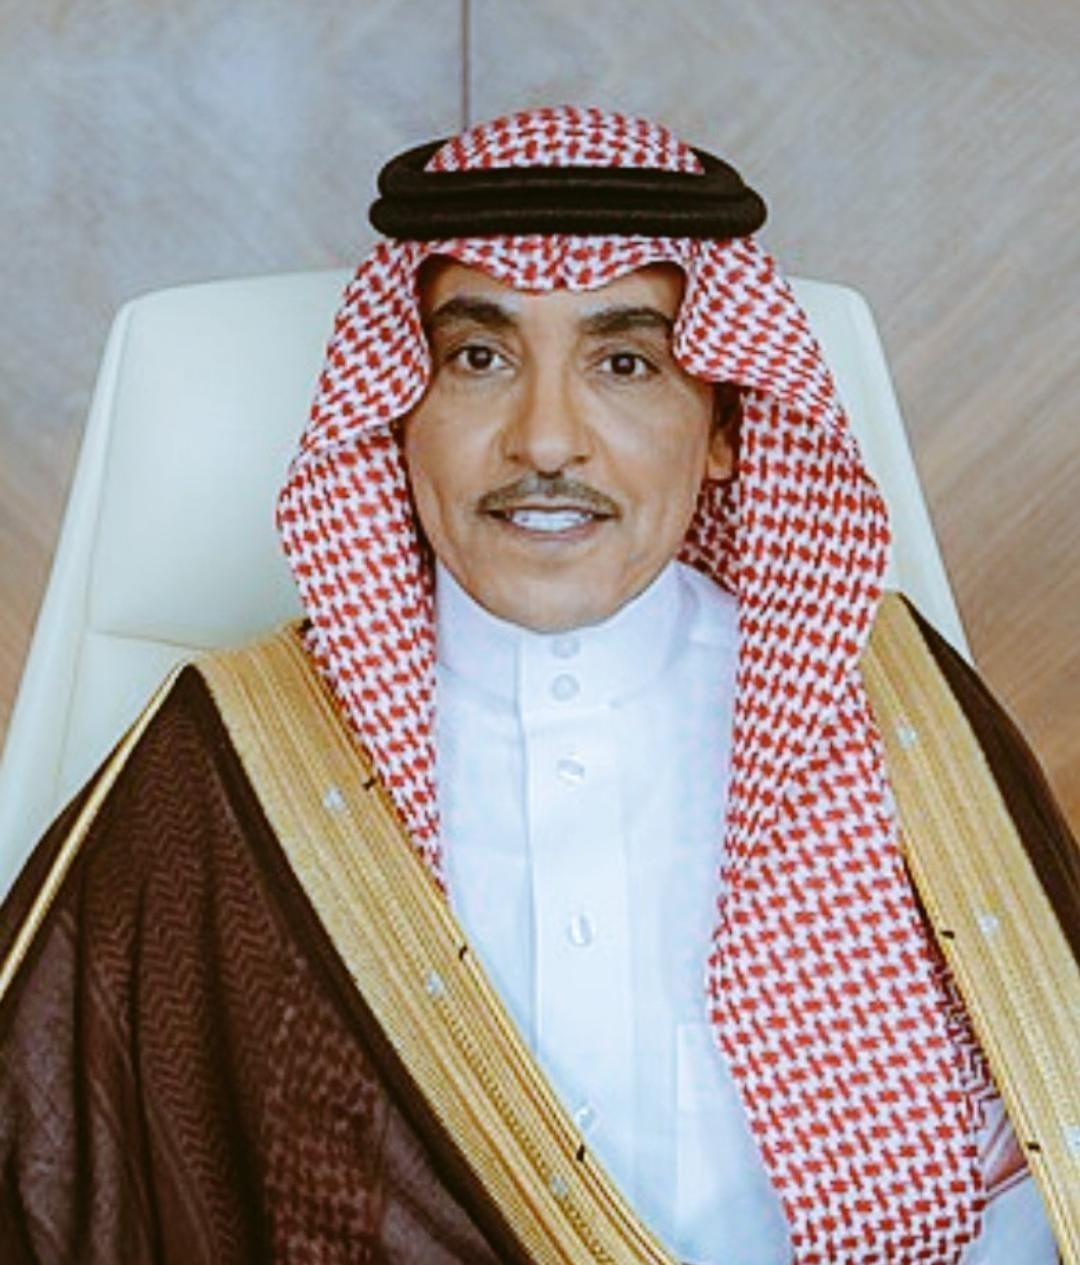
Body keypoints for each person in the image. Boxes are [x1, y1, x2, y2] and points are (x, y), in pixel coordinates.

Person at [0, 105, 1075, 1264]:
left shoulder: (896, 718)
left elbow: (1036, 1190)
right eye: (480, 358)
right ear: (397, 410)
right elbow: (56, 1172)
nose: (548, 440)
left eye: (625, 362)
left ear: (724, 423)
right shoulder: (231, 765)